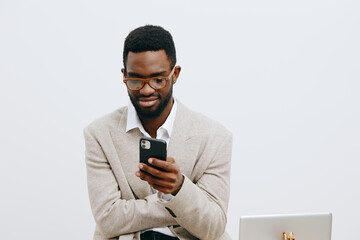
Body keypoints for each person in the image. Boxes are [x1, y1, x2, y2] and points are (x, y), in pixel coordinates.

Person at [84, 25, 232, 240]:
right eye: (135, 80)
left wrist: (179, 187)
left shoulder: (215, 138)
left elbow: (213, 227)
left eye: (158, 80)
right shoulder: (99, 135)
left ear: (175, 74)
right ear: (124, 75)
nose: (146, 90)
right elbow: (108, 220)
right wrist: (177, 203)